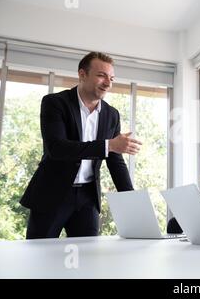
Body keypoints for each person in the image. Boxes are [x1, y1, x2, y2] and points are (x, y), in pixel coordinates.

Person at [20, 51, 142, 239]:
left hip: (87, 197)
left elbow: (115, 160)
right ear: (82, 74)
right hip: (52, 194)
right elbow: (57, 148)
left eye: (111, 78)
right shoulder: (55, 103)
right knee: (39, 255)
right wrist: (107, 145)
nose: (108, 83)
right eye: (101, 75)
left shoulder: (111, 115)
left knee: (87, 257)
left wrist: (132, 200)